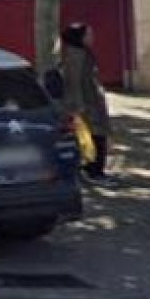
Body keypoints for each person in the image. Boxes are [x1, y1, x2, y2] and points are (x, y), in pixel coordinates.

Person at [59, 22, 112, 180]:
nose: (91, 38)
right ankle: (94, 170)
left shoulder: (83, 52)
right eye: (88, 34)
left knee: (96, 135)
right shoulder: (76, 55)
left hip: (92, 100)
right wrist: (78, 106)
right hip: (87, 104)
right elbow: (74, 81)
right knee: (93, 136)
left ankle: (93, 168)